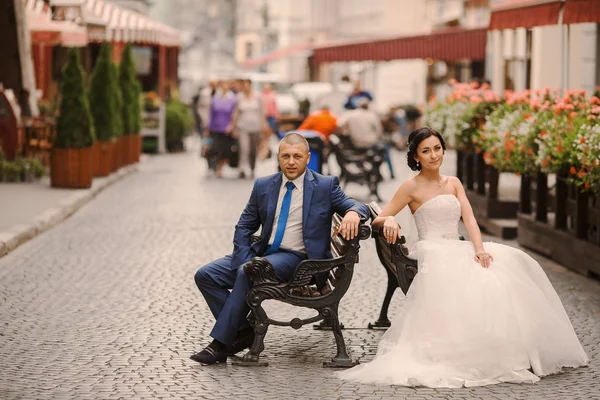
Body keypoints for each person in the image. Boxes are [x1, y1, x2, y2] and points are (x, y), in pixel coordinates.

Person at [337, 127, 589, 388]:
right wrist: (388, 218)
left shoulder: (454, 182)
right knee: (468, 277)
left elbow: (468, 218)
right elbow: (378, 217)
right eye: (426, 151)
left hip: (456, 244)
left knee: (509, 262)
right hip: (431, 249)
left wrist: (479, 248)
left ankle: (508, 346)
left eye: (437, 148)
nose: (434, 155)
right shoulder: (409, 187)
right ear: (415, 157)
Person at [191, 133, 369, 365]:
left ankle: (220, 344)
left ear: (307, 158)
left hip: (298, 260)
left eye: (297, 156)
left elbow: (358, 205)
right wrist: (243, 258)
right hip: (263, 253)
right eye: (286, 156)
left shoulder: (325, 186)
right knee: (206, 275)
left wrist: (354, 214)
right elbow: (244, 225)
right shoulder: (264, 185)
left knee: (249, 271)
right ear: (279, 157)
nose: (291, 161)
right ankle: (244, 332)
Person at [232, 79, 267, 179]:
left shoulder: (257, 97)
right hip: (243, 127)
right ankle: (242, 168)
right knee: (244, 148)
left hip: (256, 127)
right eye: (244, 85)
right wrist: (234, 127)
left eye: (248, 85)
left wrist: (263, 126)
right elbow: (236, 113)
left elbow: (262, 112)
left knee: (252, 150)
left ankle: (252, 167)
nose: (246, 87)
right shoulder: (239, 97)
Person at [204, 81, 237, 178]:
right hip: (215, 127)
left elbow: (234, 114)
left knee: (225, 150)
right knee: (214, 148)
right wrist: (208, 127)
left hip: (226, 129)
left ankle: (220, 167)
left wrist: (231, 126)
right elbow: (211, 114)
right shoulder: (215, 98)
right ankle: (214, 166)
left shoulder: (232, 98)